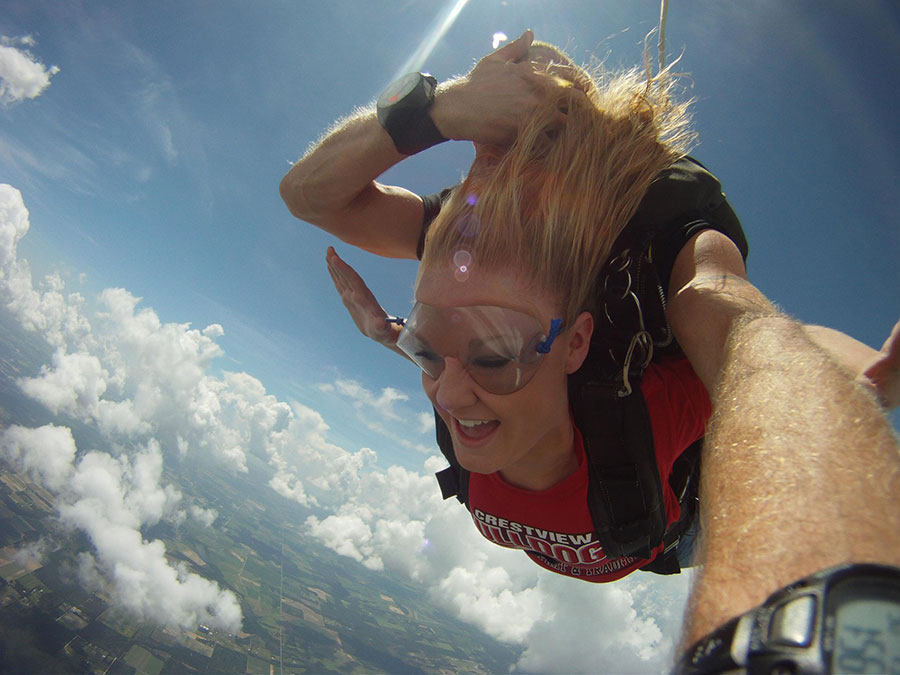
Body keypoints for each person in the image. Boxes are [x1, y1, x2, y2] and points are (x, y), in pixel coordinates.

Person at [281, 32, 899, 582]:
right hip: (612, 512)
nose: (447, 395)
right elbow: (311, 197)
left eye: (547, 134)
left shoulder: (664, 237)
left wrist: (845, 389)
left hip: (675, 530)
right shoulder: (467, 245)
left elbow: (723, 310)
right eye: (505, 126)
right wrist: (442, 108)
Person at [677, 312, 900, 671]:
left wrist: (867, 376)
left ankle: (859, 389)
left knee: (761, 340)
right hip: (672, 533)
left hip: (688, 523)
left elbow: (774, 336)